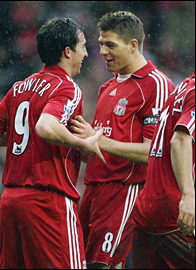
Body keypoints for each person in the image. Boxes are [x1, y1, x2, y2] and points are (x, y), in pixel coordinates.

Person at [0, 17, 105, 269]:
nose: (86, 54)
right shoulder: (67, 87)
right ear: (68, 52)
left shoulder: (20, 87)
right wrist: (81, 144)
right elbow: (45, 127)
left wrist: (21, 139)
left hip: (11, 201)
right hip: (48, 201)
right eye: (83, 46)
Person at [69, 11, 175, 269]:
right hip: (92, 189)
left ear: (133, 45)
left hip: (125, 189)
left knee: (101, 265)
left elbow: (155, 151)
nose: (103, 51)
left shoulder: (156, 85)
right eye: (101, 44)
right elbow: (97, 147)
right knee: (76, 263)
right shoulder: (107, 87)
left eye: (110, 45)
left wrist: (98, 140)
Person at [131, 71, 195, 269]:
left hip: (148, 210)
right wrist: (189, 195)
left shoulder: (182, 88)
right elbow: (180, 140)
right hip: (175, 214)